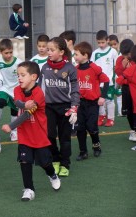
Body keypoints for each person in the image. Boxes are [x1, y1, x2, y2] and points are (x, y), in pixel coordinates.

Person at [2, 61, 61, 201]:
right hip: (24, 135)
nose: (19, 78)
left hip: (39, 135)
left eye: (23, 75)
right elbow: (17, 102)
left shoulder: (39, 93)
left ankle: (52, 175)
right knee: (24, 161)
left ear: (34, 77)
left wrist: (11, 126)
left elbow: (26, 114)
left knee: (45, 163)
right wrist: (24, 104)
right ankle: (29, 189)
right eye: (18, 75)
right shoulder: (17, 89)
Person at [38, 37, 80, 177]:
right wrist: (37, 104)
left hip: (65, 108)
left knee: (65, 138)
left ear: (61, 52)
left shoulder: (70, 68)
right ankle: (55, 159)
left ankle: (65, 163)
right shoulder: (44, 67)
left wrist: (74, 107)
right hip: (48, 107)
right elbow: (40, 88)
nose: (48, 52)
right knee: (49, 136)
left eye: (52, 49)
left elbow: (75, 89)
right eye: (48, 49)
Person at [73, 41, 110, 160]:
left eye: (76, 54)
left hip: (92, 103)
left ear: (85, 55)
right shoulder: (75, 69)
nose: (75, 56)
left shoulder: (94, 68)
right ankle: (83, 152)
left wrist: (102, 96)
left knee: (92, 127)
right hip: (80, 103)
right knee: (80, 128)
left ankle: (96, 146)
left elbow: (106, 80)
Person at [0, 38, 22, 146]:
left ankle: (14, 131)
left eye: (10, 52)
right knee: (1, 102)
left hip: (16, 89)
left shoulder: (18, 63)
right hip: (3, 88)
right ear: (0, 52)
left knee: (15, 110)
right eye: (6, 53)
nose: (8, 55)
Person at [91, 30, 118, 127]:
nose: (101, 44)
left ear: (108, 40)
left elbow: (116, 67)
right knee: (99, 100)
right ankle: (101, 116)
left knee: (109, 100)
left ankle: (110, 118)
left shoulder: (113, 52)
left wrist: (116, 80)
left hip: (109, 82)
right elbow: (92, 66)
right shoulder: (95, 53)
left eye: (103, 42)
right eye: (99, 42)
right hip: (98, 82)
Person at [115, 39, 136, 142]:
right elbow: (119, 74)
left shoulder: (135, 59)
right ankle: (132, 130)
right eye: (124, 54)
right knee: (128, 111)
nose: (126, 57)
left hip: (134, 87)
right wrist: (123, 67)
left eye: (128, 54)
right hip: (126, 88)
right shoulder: (119, 59)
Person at [108, 34, 123, 117]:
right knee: (108, 96)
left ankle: (120, 111)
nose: (113, 46)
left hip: (118, 77)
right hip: (109, 78)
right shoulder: (108, 54)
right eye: (110, 45)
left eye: (115, 44)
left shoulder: (121, 54)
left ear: (118, 43)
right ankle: (107, 113)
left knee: (119, 94)